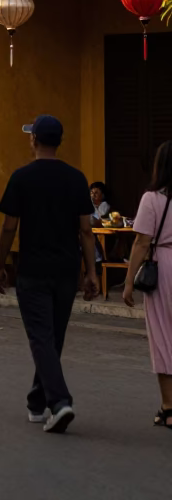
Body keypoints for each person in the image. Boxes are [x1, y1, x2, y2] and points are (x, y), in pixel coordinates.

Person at [0, 114, 98, 433]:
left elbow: (10, 225)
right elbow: (85, 231)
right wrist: (91, 272)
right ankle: (37, 402)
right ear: (59, 142)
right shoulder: (77, 178)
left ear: (34, 140)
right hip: (66, 270)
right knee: (52, 337)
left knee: (41, 337)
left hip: (33, 269)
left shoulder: (21, 177)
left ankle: (60, 402)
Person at [123, 139, 172, 428]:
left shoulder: (152, 199)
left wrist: (129, 282)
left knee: (164, 337)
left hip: (164, 265)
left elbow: (141, 241)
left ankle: (169, 407)